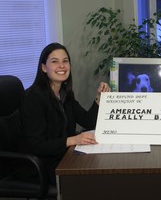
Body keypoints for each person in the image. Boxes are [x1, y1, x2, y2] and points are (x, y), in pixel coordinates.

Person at [20, 42, 111, 185]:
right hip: (41, 165)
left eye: (65, 61)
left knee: (102, 165)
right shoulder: (33, 98)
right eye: (54, 62)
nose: (62, 66)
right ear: (44, 67)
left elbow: (88, 121)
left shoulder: (65, 94)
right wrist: (73, 140)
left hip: (62, 156)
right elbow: (37, 146)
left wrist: (100, 97)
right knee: (95, 178)